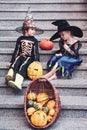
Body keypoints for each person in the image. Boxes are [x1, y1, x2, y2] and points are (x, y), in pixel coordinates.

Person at [5, 8, 44, 90]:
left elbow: (36, 52)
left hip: (30, 58)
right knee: (17, 60)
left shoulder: (34, 40)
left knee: (23, 65)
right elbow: (16, 50)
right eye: (32, 29)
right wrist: (11, 61)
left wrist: (37, 61)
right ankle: (10, 74)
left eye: (34, 30)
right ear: (26, 30)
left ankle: (18, 82)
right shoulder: (20, 39)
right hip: (21, 55)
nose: (34, 31)